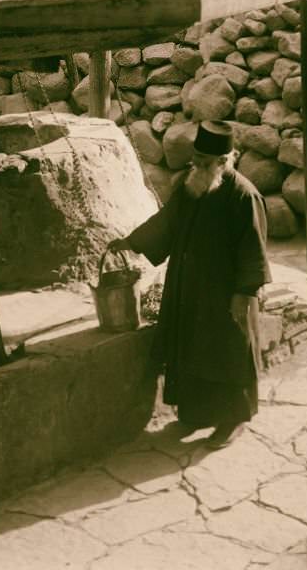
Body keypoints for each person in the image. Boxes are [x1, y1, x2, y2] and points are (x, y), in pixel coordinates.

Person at [109, 119, 271, 448]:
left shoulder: (243, 196)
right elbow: (167, 222)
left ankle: (233, 419)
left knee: (228, 353)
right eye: (195, 159)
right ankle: (198, 413)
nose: (196, 166)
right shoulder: (190, 184)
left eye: (204, 162)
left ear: (224, 162)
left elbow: (253, 250)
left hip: (227, 293)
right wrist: (132, 242)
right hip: (191, 286)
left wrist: (243, 294)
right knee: (194, 349)